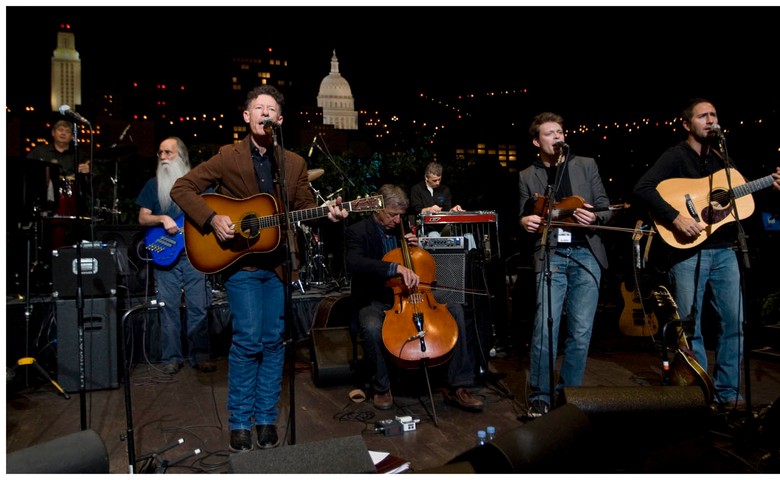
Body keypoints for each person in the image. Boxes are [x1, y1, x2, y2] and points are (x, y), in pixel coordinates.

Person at [171, 85, 348, 452]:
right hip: (242, 264)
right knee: (249, 338)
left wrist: (327, 215)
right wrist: (212, 218)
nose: (265, 113)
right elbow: (183, 188)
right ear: (247, 115)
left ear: (279, 121)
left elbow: (304, 208)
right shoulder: (227, 156)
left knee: (273, 341)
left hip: (280, 266)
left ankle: (266, 419)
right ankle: (239, 421)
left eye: (272, 109)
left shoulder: (294, 163)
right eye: (258, 107)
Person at [632, 98, 780, 412]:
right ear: (687, 124)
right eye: (703, 115)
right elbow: (643, 187)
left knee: (734, 322)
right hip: (687, 253)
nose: (711, 120)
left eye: (714, 114)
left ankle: (728, 392)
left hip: (725, 252)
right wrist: (675, 217)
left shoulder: (723, 159)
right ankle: (699, 392)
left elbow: (740, 199)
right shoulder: (675, 157)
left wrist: (777, 188)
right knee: (691, 326)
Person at [345, 183, 484, 413]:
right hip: (378, 298)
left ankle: (458, 386)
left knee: (455, 308)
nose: (397, 221)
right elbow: (354, 263)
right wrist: (393, 268)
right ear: (378, 209)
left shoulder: (404, 227)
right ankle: (382, 387)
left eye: (400, 215)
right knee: (370, 325)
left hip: (414, 295)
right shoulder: (358, 231)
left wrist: (418, 249)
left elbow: (421, 265)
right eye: (392, 215)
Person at [518, 112, 612, 418]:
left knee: (581, 330)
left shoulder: (586, 164)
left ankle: (570, 394)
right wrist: (526, 220)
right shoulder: (527, 175)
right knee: (546, 325)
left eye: (560, 131)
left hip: (586, 252)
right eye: (549, 133)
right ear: (537, 141)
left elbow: (605, 206)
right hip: (552, 254)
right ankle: (540, 395)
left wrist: (595, 216)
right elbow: (523, 213)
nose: (557, 137)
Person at [135, 137, 215, 376]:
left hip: (194, 254)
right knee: (168, 308)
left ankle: (200, 355)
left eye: (168, 152)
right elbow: (142, 217)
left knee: (198, 307)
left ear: (181, 156)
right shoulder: (153, 184)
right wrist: (162, 218)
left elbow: (212, 213)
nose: (163, 157)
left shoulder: (198, 184)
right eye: (160, 153)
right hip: (164, 252)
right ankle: (171, 357)